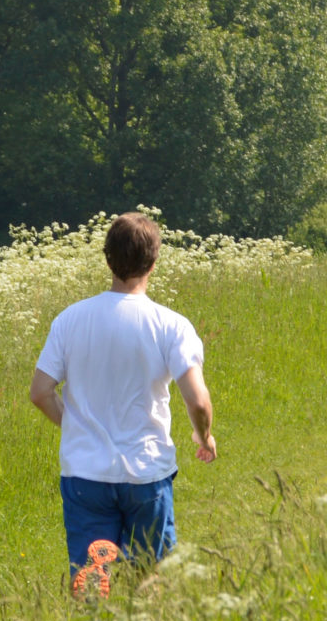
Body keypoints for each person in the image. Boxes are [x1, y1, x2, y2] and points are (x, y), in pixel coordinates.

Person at [29, 212, 216, 576]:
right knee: (152, 578)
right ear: (154, 261)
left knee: (90, 580)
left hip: (85, 477)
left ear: (107, 257)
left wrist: (75, 426)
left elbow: (40, 392)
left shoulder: (70, 319)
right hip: (146, 475)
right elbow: (197, 400)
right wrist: (204, 436)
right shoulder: (171, 325)